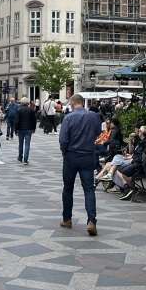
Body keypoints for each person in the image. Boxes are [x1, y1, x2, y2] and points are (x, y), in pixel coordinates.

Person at [58, 93, 102, 235]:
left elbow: (63, 139)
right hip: (88, 155)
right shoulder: (93, 116)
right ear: (83, 103)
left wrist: (64, 151)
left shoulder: (68, 117)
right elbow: (97, 133)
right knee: (89, 189)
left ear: (72, 104)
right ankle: (91, 221)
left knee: (68, 188)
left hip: (71, 155)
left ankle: (67, 219)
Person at [15, 96, 37, 165]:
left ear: (21, 103)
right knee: (27, 144)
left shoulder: (19, 110)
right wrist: (34, 128)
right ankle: (25, 159)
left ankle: (20, 157)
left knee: (20, 144)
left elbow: (17, 121)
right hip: (29, 129)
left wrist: (16, 129)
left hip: (21, 129)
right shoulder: (31, 110)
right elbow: (34, 120)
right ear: (28, 103)